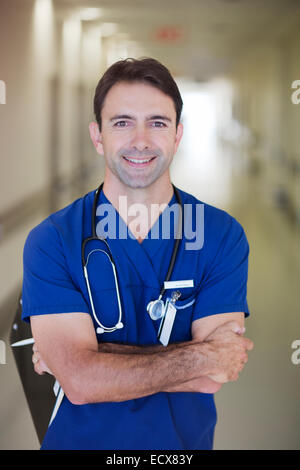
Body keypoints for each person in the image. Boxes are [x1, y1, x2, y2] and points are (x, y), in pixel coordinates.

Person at [22, 57, 253, 450]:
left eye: (157, 123)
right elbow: (78, 383)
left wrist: (88, 357)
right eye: (122, 122)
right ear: (98, 136)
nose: (141, 140)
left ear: (178, 134)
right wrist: (199, 355)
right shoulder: (52, 240)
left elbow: (216, 373)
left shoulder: (221, 235)